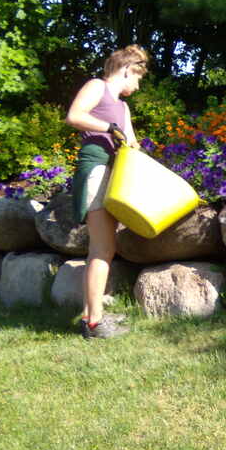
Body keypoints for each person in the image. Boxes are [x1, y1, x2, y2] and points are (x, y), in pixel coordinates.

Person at [65, 45, 149, 339]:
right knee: (102, 248)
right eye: (137, 78)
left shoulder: (123, 107)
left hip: (114, 176)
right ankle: (94, 324)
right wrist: (109, 127)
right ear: (127, 70)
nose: (137, 86)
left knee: (105, 248)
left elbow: (132, 145)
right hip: (96, 171)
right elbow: (74, 116)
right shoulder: (97, 86)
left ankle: (91, 315)